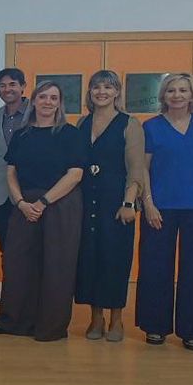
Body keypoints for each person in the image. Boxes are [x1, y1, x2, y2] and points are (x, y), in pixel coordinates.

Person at [0, 81, 85, 342]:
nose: (48, 102)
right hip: (24, 205)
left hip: (60, 204)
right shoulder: (22, 135)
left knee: (56, 266)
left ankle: (49, 327)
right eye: (43, 97)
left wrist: (43, 202)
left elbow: (75, 174)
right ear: (34, 101)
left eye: (53, 98)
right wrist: (20, 202)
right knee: (18, 263)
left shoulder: (70, 134)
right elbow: (11, 172)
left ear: (59, 103)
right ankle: (14, 321)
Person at [136, 73, 193, 351]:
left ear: (192, 95)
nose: (177, 95)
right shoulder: (151, 127)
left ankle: (192, 329)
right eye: (171, 90)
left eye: (183, 90)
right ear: (163, 96)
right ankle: (155, 326)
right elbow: (143, 168)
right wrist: (148, 203)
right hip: (160, 208)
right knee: (156, 266)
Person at [75, 71, 146, 342]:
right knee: (90, 259)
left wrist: (129, 202)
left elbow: (136, 168)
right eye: (96, 87)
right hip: (86, 201)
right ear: (90, 92)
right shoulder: (82, 122)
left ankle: (116, 319)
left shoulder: (130, 124)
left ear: (117, 92)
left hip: (116, 202)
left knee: (114, 260)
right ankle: (96, 318)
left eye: (108, 87)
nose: (101, 92)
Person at [0, 68, 29, 251]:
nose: (7, 89)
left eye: (12, 84)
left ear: (23, 86)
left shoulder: (36, 112)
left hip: (29, 190)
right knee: (5, 246)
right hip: (1, 192)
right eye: (2, 86)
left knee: (28, 248)